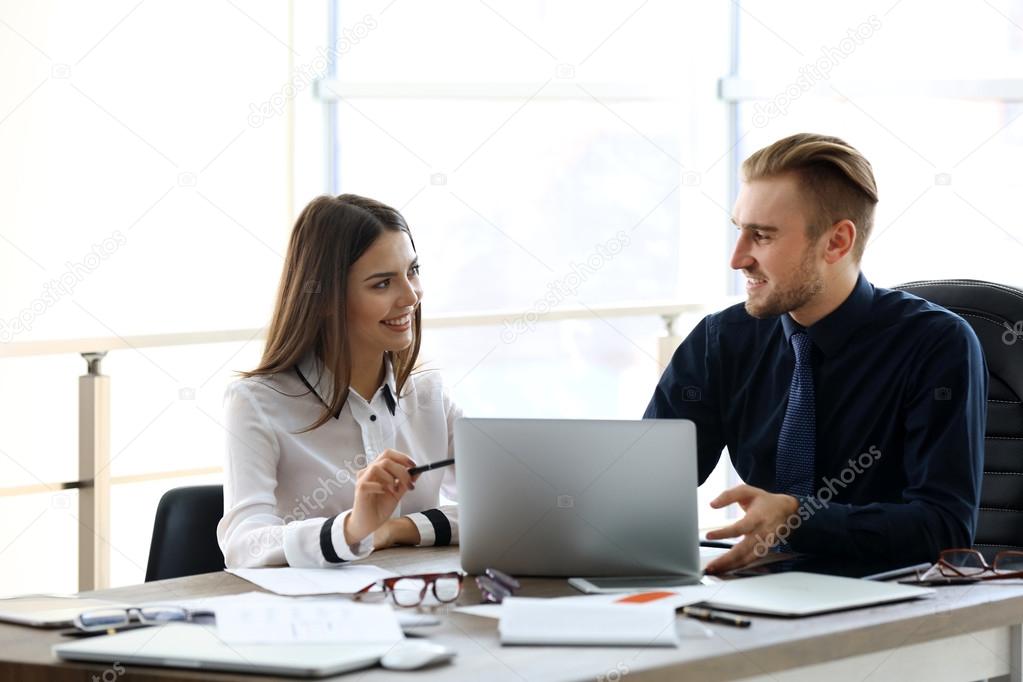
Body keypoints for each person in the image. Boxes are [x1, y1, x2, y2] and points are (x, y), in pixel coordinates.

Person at [644, 133, 987, 574]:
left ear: (836, 243)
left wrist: (796, 518)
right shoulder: (721, 339)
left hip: (886, 600)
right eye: (739, 232)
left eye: (762, 236)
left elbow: (945, 528)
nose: (737, 258)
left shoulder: (937, 344)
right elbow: (648, 484)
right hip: (755, 593)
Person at [217, 194, 460, 569]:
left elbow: (505, 509)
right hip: (311, 619)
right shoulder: (256, 403)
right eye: (383, 284)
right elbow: (243, 545)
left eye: (412, 270)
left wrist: (395, 530)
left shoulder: (429, 394)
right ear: (327, 298)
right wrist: (351, 528)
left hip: (418, 607)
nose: (411, 296)